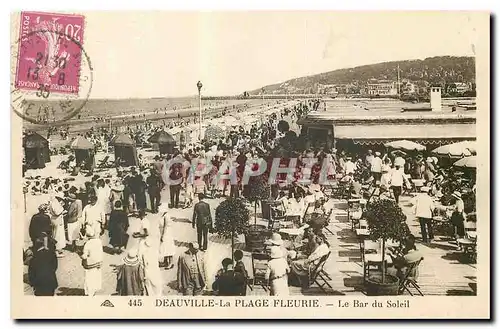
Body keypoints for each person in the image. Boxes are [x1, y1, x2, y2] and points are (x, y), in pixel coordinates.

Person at [80, 226, 103, 296]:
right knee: (96, 276)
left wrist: (81, 256)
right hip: (98, 262)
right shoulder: (99, 241)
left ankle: (89, 292)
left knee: (89, 277)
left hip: (90, 263)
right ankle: (95, 289)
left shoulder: (87, 244)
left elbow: (84, 256)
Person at [48, 192, 66, 257]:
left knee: (56, 234)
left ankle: (57, 249)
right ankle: (56, 250)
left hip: (55, 219)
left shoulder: (54, 202)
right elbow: (57, 212)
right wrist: (63, 210)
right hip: (56, 220)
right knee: (57, 236)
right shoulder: (55, 203)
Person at [159, 204, 175, 269]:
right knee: (164, 247)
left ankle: (170, 263)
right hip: (164, 232)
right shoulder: (164, 215)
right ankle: (165, 261)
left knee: (169, 248)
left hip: (167, 233)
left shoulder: (166, 216)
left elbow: (165, 226)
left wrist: (163, 235)